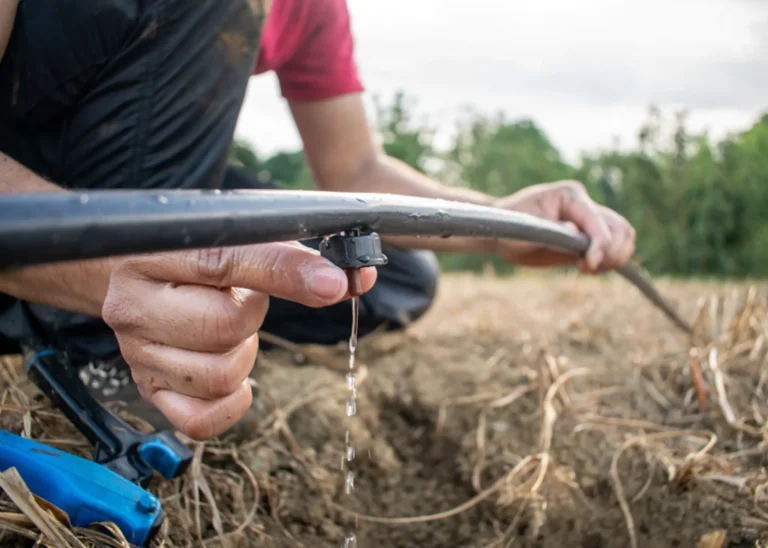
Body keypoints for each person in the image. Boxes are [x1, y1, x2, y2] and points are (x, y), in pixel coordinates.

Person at [0, 0, 635, 442]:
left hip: (141, 172)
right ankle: (97, 346)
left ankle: (177, 312)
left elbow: (355, 167)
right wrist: (108, 271)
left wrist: (500, 219)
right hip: (27, 187)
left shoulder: (316, 9)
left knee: (391, 275)